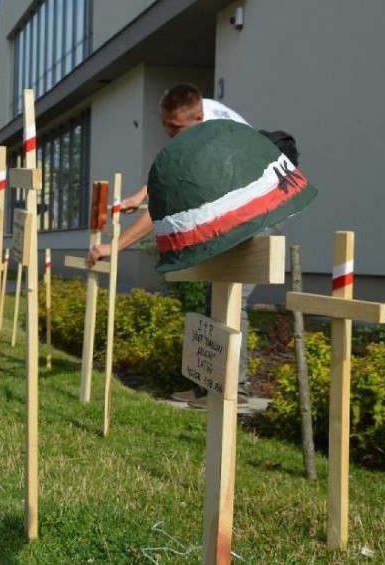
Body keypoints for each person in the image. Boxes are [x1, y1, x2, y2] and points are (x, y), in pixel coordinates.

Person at [87, 83, 297, 408]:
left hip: (264, 210)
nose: (168, 132)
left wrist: (113, 248)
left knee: (233, 300)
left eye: (175, 127)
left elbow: (162, 206)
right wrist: (138, 196)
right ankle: (206, 388)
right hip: (241, 204)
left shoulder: (214, 144)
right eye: (165, 124)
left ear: (198, 117)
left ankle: (232, 391)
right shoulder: (201, 115)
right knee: (216, 297)